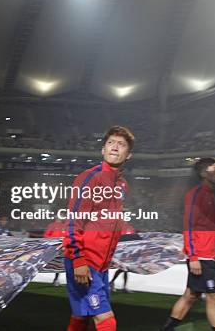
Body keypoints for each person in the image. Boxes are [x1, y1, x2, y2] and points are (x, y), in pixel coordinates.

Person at [63, 126, 134, 331]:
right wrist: (78, 259)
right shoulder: (89, 178)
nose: (114, 147)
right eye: (110, 143)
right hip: (85, 260)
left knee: (80, 316)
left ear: (128, 154)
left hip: (101, 265)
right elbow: (74, 221)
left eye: (121, 144)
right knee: (106, 320)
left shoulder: (122, 186)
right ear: (103, 150)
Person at [160, 158, 215, 331]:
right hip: (200, 256)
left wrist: (214, 251)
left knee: (191, 296)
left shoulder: (210, 194)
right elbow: (188, 226)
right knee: (214, 297)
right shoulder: (196, 195)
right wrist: (193, 256)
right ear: (204, 173)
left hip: (207, 255)